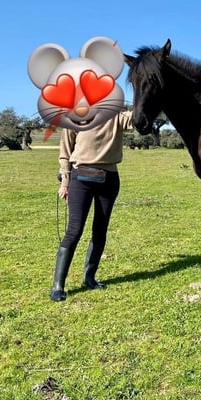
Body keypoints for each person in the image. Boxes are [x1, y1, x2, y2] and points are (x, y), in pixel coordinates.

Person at [50, 110, 133, 301]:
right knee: (74, 231)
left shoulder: (117, 117)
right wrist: (65, 181)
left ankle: (90, 277)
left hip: (109, 179)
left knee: (100, 230)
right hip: (80, 178)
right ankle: (58, 286)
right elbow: (65, 152)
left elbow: (139, 118)